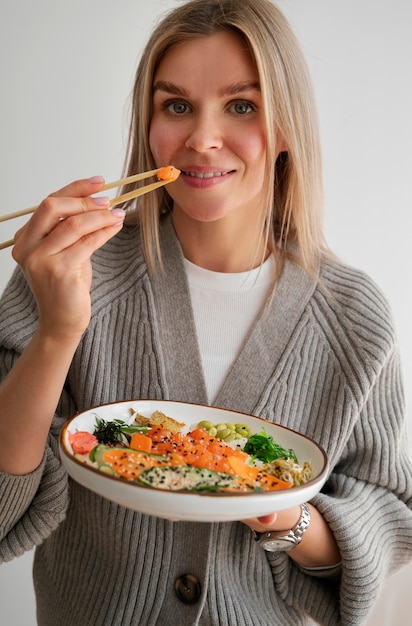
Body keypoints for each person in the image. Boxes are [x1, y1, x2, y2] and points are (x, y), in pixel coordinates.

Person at [0, 0, 411, 624]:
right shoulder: (68, 271)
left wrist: (279, 511)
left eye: (241, 105)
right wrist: (58, 330)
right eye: (176, 105)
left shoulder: (353, 316)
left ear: (286, 128)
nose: (201, 139)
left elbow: (387, 513)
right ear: (148, 121)